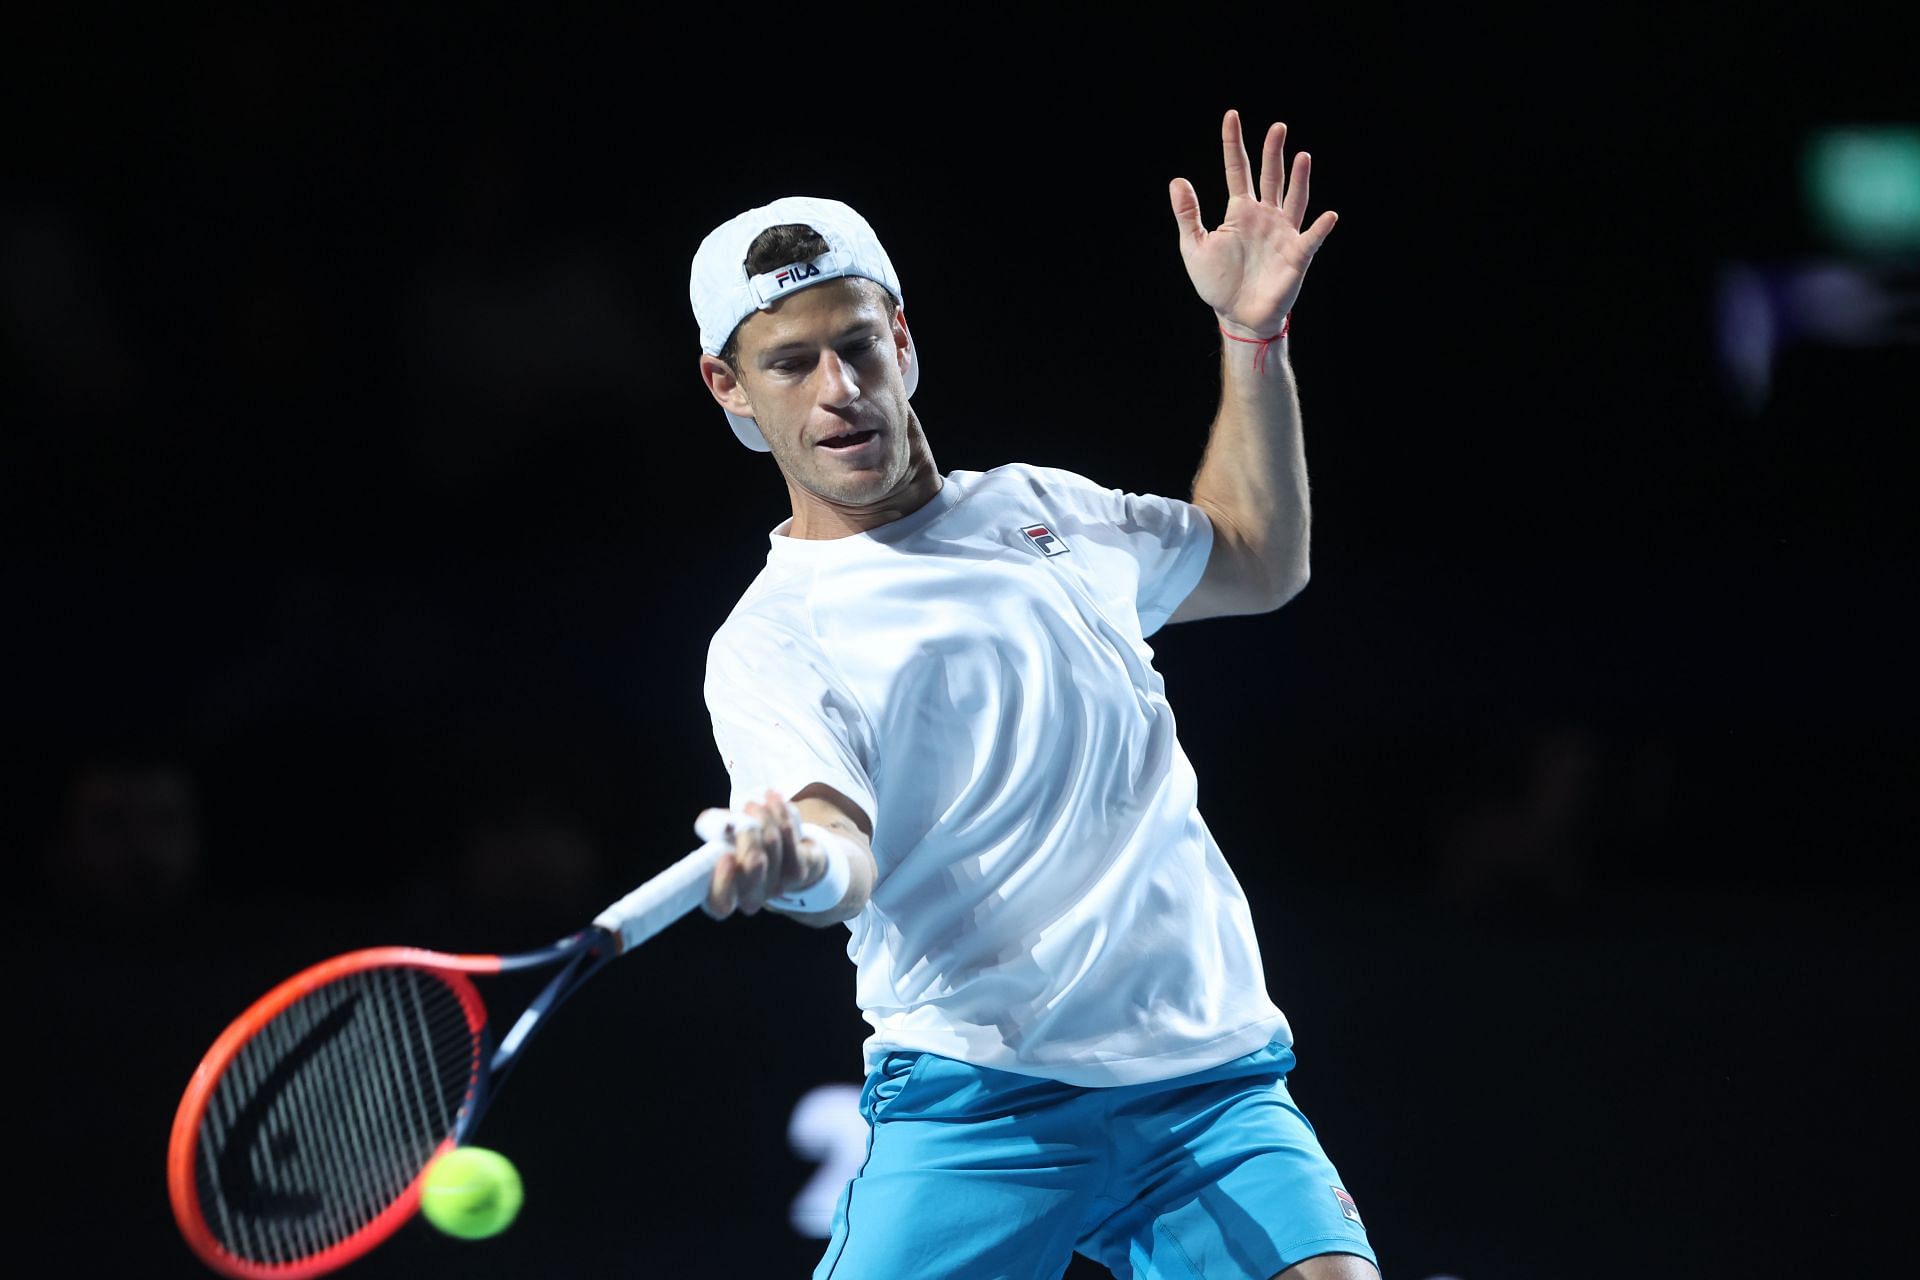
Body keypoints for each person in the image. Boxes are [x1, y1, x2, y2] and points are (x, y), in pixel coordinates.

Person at [688, 109, 1375, 1280]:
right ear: (731, 389)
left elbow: (1261, 556)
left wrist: (1250, 338)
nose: (838, 388)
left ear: (902, 340)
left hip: (1207, 1089)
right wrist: (793, 860)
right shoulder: (770, 638)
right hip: (978, 1106)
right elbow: (838, 846)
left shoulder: (1043, 510)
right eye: (790, 362)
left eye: (857, 343)